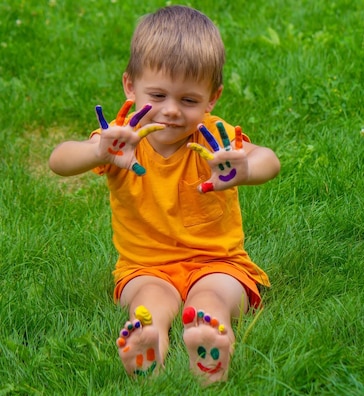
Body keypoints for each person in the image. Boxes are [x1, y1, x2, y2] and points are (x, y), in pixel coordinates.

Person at [48, 5, 280, 384]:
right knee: (149, 301)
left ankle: (210, 340)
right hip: (145, 268)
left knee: (211, 298)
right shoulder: (123, 141)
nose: (171, 111)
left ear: (212, 99)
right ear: (130, 86)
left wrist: (245, 168)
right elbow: (59, 160)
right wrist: (97, 151)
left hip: (218, 263)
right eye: (157, 95)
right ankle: (148, 339)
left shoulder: (214, 139)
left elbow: (269, 161)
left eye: (189, 101)